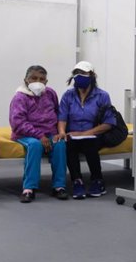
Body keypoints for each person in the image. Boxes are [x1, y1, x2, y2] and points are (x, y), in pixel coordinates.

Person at [55, 61, 117, 200]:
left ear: (92, 76)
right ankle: (77, 181)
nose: (80, 76)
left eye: (83, 73)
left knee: (90, 144)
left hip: (95, 133)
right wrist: (62, 132)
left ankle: (97, 180)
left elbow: (109, 123)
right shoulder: (68, 95)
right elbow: (62, 117)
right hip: (73, 134)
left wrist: (84, 134)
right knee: (69, 145)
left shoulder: (102, 96)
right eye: (77, 73)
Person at [9, 65, 68, 203]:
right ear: (26, 80)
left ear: (46, 82)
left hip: (49, 133)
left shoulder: (51, 93)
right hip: (26, 134)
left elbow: (57, 113)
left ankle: (59, 186)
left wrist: (58, 133)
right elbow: (17, 122)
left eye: (42, 79)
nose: (38, 82)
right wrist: (39, 135)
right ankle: (29, 188)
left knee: (60, 145)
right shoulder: (20, 97)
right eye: (34, 78)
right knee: (34, 146)